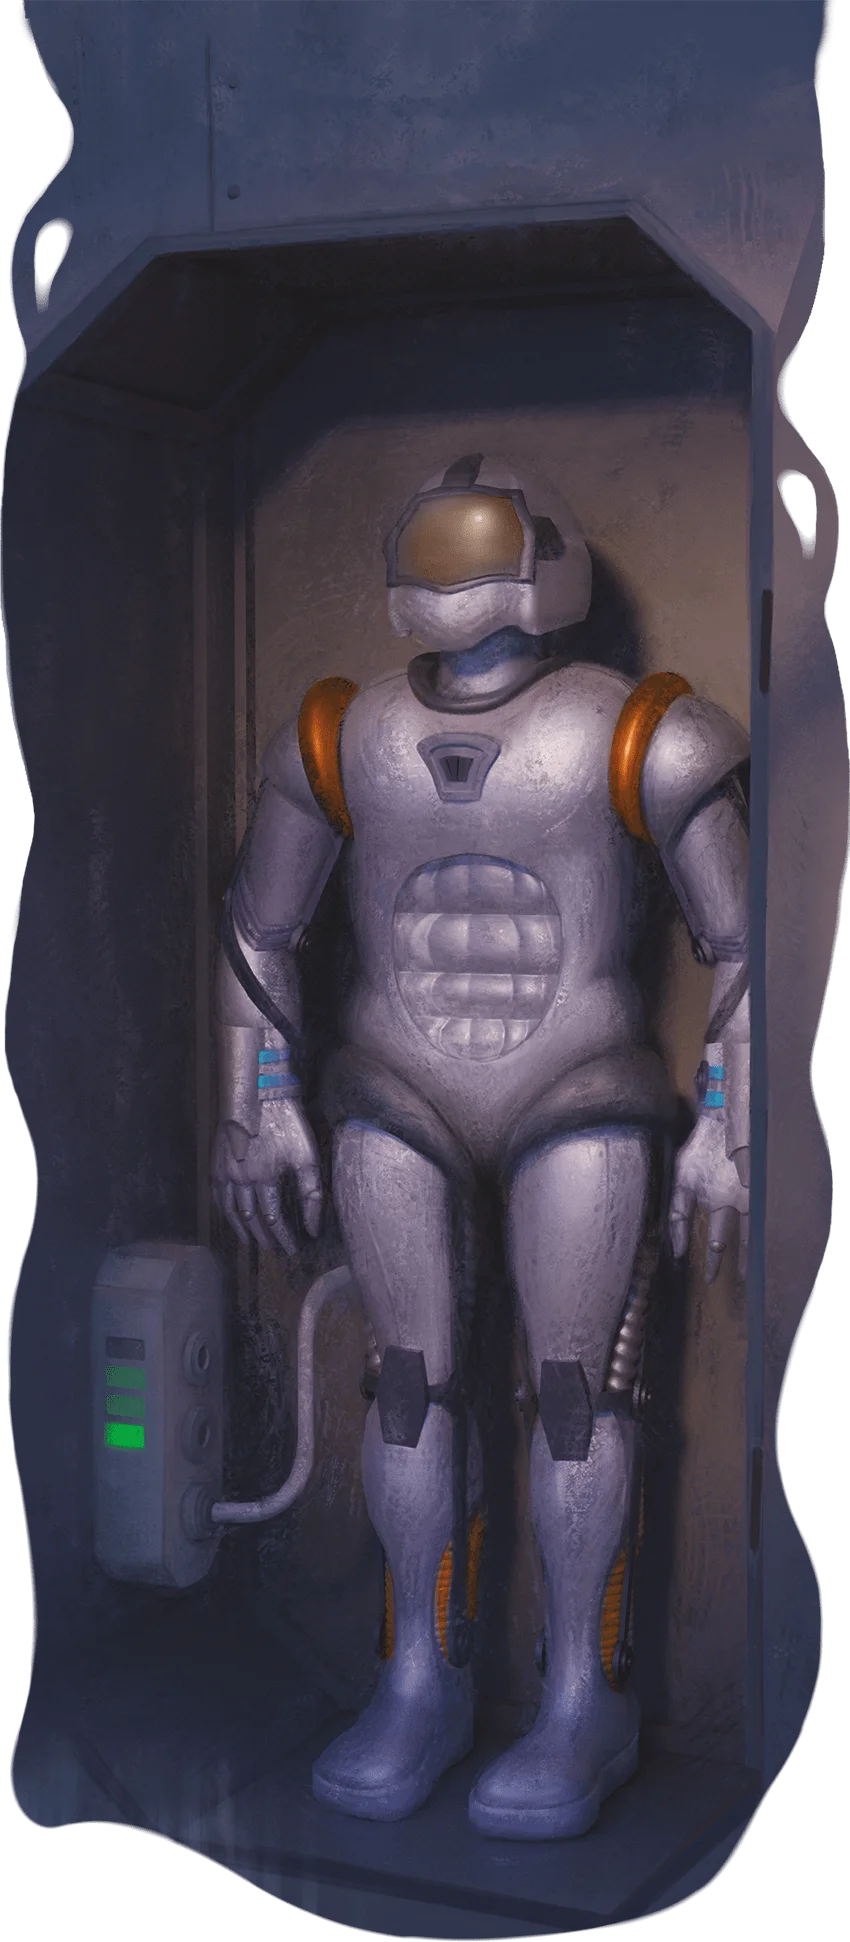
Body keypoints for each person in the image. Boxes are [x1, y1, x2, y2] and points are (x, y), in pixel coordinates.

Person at [211, 454, 750, 1839]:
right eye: (435, 554)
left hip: (579, 1086)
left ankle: (583, 1702)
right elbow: (260, 929)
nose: (454, 585)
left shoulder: (633, 729)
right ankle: (419, 1679)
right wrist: (259, 1101)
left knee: (576, 1401)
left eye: (476, 551)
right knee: (406, 1393)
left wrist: (728, 1117)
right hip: (395, 1086)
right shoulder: (343, 735)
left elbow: (747, 938)